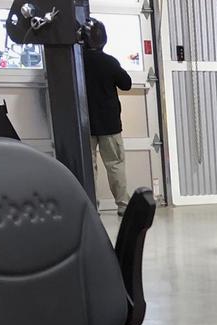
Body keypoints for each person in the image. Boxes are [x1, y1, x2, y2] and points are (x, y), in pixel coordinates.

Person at [82, 20, 133, 214]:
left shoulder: (77, 62)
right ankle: (123, 205)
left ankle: (91, 206)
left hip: (85, 124)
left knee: (89, 166)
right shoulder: (109, 61)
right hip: (109, 124)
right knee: (115, 165)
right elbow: (126, 83)